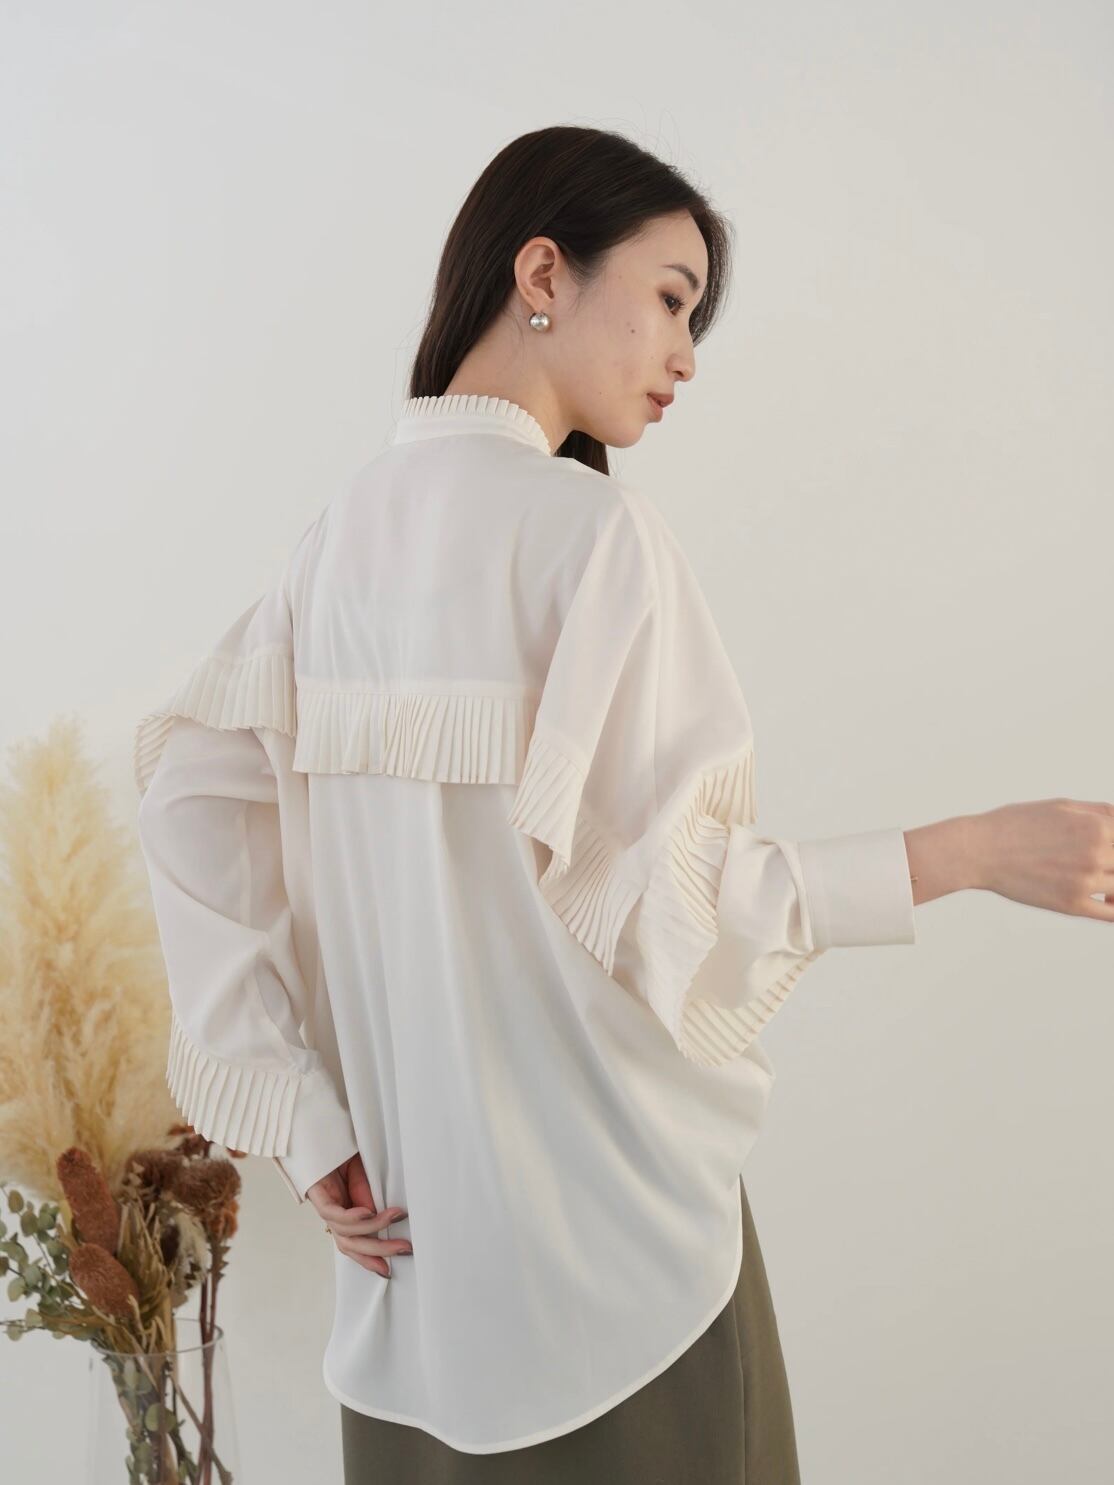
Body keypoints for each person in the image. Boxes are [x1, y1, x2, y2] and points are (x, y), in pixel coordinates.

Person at [133, 125, 1113, 1483]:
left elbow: (187, 801)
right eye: (669, 296)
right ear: (543, 272)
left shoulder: (332, 546)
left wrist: (308, 1124)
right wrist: (974, 850)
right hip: (618, 1278)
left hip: (413, 1290)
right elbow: (685, 907)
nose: (686, 354)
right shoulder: (595, 537)